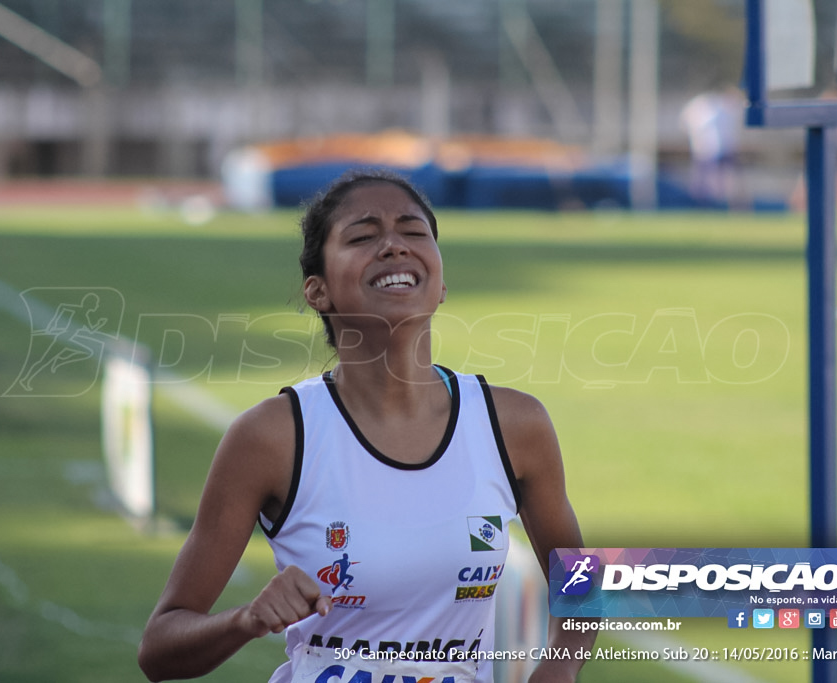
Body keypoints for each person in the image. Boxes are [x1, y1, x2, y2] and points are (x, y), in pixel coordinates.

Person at [138, 170, 594, 683]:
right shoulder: (272, 437)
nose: (394, 246)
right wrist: (245, 620)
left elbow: (580, 580)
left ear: (441, 283)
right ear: (318, 291)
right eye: (363, 235)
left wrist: (557, 670)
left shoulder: (515, 425)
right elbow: (159, 649)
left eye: (414, 231)